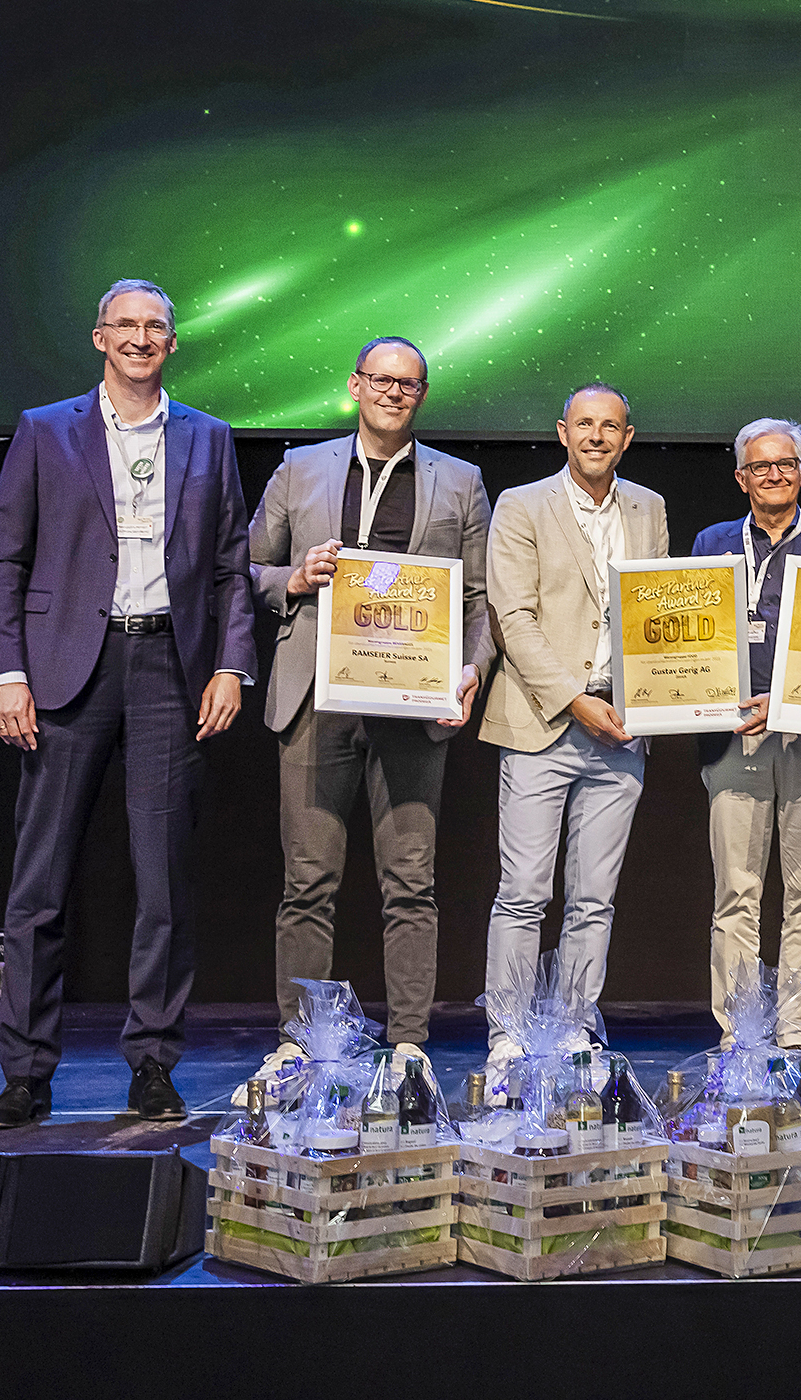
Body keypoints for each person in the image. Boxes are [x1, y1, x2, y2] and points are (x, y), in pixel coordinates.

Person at [0, 280, 255, 1129]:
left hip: (170, 667)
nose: (140, 338)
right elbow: (2, 562)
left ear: (172, 343)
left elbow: (232, 566)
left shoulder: (207, 437)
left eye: (155, 327)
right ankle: (24, 1074)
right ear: (100, 337)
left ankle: (154, 1065)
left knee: (162, 881)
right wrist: (4, 670)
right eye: (125, 325)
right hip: (63, 670)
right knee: (40, 885)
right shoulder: (43, 429)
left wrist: (232, 665)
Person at [247, 337, 491, 1091]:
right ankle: (298, 1041)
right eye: (380, 379)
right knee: (308, 880)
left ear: (421, 395)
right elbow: (249, 567)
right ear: (355, 385)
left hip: (413, 702)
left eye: (408, 383)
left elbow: (481, 598)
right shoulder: (300, 467)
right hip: (318, 697)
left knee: (409, 880)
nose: (392, 391)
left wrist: (472, 670)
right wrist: (294, 576)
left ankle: (410, 1043)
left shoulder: (460, 481)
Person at [480, 385, 667, 1073]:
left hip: (621, 725)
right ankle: (508, 1032)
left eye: (609, 425)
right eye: (584, 424)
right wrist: (573, 700)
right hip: (541, 721)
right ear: (563, 432)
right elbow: (514, 618)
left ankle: (571, 1025)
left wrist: (655, 699)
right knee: (524, 891)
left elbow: (658, 617)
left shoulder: (649, 507)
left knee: (594, 897)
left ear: (627, 435)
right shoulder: (521, 504)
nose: (596, 435)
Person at [692, 419, 801, 1049]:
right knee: (736, 891)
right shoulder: (710, 542)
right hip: (733, 738)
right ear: (741, 478)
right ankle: (739, 1029)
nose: (774, 475)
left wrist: (791, 704)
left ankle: (793, 1029)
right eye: (760, 466)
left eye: (786, 464)